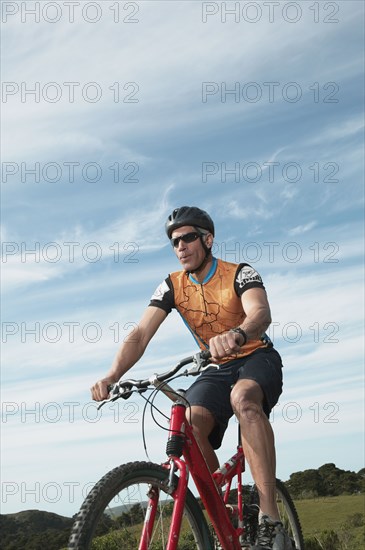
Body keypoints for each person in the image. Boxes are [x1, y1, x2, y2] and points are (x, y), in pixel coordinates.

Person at [91, 206, 291, 550]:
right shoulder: (172, 285)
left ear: (207, 239)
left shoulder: (239, 273)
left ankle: (270, 518)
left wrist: (239, 334)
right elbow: (140, 333)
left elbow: (260, 311)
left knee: (244, 399)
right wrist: (112, 375)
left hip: (255, 354)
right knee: (190, 422)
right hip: (214, 367)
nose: (180, 246)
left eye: (187, 238)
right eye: (174, 242)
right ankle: (222, 510)